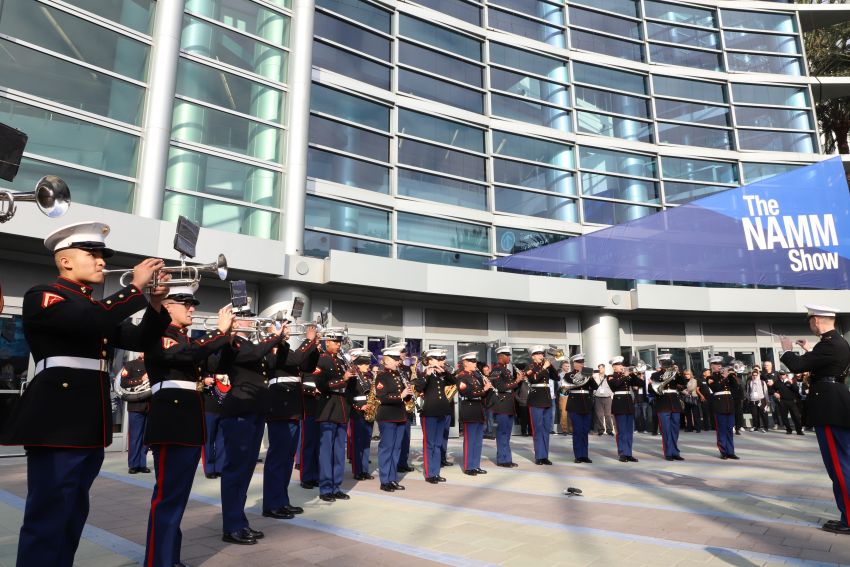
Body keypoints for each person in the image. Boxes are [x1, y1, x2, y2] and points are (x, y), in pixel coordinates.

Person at [2, 222, 170, 567]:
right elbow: (89, 320)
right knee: (48, 519)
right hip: (57, 425)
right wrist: (135, 289)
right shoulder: (44, 295)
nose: (101, 263)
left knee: (72, 516)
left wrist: (154, 304)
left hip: (86, 426)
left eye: (102, 256)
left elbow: (139, 341)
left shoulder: (93, 307)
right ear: (65, 262)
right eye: (92, 254)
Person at [142, 284, 235, 563]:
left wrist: (227, 336)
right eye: (185, 303)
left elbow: (217, 365)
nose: (192, 308)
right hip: (172, 423)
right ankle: (159, 560)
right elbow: (187, 354)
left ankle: (169, 557)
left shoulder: (184, 338)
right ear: (167, 306)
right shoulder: (160, 333)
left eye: (192, 303)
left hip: (187, 424)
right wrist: (218, 333)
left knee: (177, 498)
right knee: (168, 498)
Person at [780, 305, 850, 535]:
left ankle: (849, 519)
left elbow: (798, 365)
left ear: (817, 320)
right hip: (833, 403)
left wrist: (787, 350)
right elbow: (821, 364)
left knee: (840, 467)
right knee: (841, 465)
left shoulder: (831, 344)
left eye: (810, 320)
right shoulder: (834, 342)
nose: (810, 325)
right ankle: (845, 515)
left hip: (830, 407)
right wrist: (808, 349)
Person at [219, 315, 289, 543]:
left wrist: (283, 342)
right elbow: (255, 355)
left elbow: (275, 364)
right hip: (240, 408)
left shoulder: (251, 344)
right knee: (235, 470)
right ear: (235, 322)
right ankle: (231, 526)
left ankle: (239, 521)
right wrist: (273, 337)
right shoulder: (234, 343)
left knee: (246, 470)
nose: (252, 321)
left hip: (255, 409)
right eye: (246, 318)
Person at [263, 324, 319, 519]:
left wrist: (314, 347)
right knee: (278, 458)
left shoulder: (285, 347)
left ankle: (281, 500)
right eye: (281, 328)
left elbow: (306, 366)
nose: (286, 330)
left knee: (287, 459)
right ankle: (271, 504)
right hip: (280, 407)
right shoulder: (271, 347)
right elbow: (295, 359)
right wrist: (309, 341)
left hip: (292, 408)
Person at [313, 329, 353, 502]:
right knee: (326, 452)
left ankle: (336, 486)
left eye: (339, 342)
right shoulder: (321, 360)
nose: (338, 345)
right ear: (326, 342)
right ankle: (325, 488)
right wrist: (343, 379)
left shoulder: (341, 361)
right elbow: (321, 384)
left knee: (338, 452)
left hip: (342, 409)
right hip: (328, 410)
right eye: (335, 342)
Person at [412, 348, 455, 483]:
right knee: (430, 444)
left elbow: (454, 381)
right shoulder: (424, 374)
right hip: (429, 413)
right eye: (439, 359)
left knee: (437, 444)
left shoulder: (441, 374)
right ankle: (430, 474)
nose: (442, 361)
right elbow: (418, 388)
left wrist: (445, 372)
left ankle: (435, 472)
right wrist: (426, 374)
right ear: (430, 361)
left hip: (441, 412)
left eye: (442, 359)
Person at [375, 345, 409, 492]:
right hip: (388, 416)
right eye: (394, 360)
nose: (397, 362)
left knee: (396, 449)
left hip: (400, 416)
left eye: (397, 359)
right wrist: (401, 396)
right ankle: (384, 481)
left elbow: (403, 396)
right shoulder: (382, 376)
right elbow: (382, 397)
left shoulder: (399, 376)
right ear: (386, 360)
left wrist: (408, 396)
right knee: (387, 448)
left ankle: (392, 478)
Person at [457, 352, 492, 475]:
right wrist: (484, 389)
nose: (475, 363)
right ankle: (468, 466)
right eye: (472, 361)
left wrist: (487, 387)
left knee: (478, 441)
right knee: (470, 440)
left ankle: (476, 465)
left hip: (478, 408)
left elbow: (482, 393)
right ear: (465, 363)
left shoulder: (476, 376)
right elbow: (467, 393)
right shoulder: (461, 376)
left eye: (475, 361)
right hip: (469, 408)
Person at [490, 346, 522, 467]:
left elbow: (511, 386)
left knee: (507, 434)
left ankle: (507, 458)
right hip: (501, 404)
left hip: (508, 404)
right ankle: (502, 460)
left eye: (509, 355)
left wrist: (519, 380)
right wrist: (516, 381)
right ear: (500, 356)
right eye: (507, 355)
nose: (509, 357)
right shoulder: (497, 370)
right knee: (502, 433)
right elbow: (500, 387)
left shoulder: (506, 370)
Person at [119, 354, 151, 474]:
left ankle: (142, 464)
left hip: (150, 405)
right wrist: (141, 380)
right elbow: (124, 383)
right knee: (135, 437)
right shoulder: (131, 364)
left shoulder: (153, 364)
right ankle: (133, 464)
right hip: (136, 406)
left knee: (146, 438)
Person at [347, 347, 375, 481]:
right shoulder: (353, 377)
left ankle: (364, 470)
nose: (368, 366)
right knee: (357, 444)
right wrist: (359, 406)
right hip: (357, 413)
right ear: (358, 365)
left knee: (366, 443)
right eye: (366, 364)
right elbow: (349, 395)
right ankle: (357, 471)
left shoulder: (368, 377)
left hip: (368, 411)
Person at [652, 354, 687, 461]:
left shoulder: (675, 373)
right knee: (666, 430)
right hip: (663, 403)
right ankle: (668, 453)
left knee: (675, 429)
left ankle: (675, 452)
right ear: (660, 363)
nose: (666, 364)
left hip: (674, 403)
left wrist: (678, 372)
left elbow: (683, 383)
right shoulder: (656, 374)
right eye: (664, 362)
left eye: (667, 362)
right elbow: (653, 388)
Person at [608, 357, 642, 462]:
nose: (622, 366)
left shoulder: (627, 376)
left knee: (629, 431)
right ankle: (622, 453)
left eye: (622, 364)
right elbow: (616, 385)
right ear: (614, 366)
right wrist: (625, 376)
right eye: (619, 365)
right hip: (619, 404)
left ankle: (629, 453)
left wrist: (632, 374)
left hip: (628, 404)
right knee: (622, 431)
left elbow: (639, 383)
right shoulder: (610, 376)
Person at [564, 353, 596, 463]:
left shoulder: (587, 374)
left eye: (583, 362)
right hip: (575, 404)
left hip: (586, 404)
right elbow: (565, 388)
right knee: (577, 431)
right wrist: (581, 377)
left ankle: (585, 455)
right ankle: (578, 455)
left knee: (584, 431)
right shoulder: (569, 375)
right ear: (574, 364)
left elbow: (595, 387)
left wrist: (590, 377)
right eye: (579, 362)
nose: (582, 364)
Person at [525, 345, 554, 465]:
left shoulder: (546, 366)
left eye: (542, 354)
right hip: (536, 400)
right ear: (533, 356)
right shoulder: (530, 367)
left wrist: (550, 366)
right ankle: (539, 456)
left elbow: (556, 377)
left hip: (547, 399)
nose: (541, 356)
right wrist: (544, 367)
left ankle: (545, 456)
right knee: (537, 429)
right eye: (538, 354)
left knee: (546, 429)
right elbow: (534, 379)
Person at [707, 356, 739, 460]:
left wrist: (732, 375)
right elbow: (716, 388)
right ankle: (723, 451)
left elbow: (735, 386)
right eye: (716, 364)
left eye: (720, 363)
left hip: (729, 405)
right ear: (712, 366)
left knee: (730, 429)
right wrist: (724, 377)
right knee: (721, 430)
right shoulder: (710, 378)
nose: (719, 365)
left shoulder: (727, 376)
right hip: (719, 406)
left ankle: (731, 452)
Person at [392, 342, 416, 474]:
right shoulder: (392, 369)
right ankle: (395, 463)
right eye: (402, 353)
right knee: (396, 440)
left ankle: (403, 462)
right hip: (396, 406)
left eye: (404, 353)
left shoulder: (406, 369)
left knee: (406, 438)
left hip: (406, 407)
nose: (404, 355)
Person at [201, 373, 228, 479]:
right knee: (208, 440)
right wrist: (204, 382)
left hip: (224, 407)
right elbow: (195, 386)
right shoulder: (203, 365)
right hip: (208, 407)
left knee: (222, 439)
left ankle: (220, 467)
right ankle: (209, 468)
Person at [771, 370, 804, 435]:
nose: (781, 376)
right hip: (782, 401)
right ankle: (788, 430)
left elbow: (796, 390)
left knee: (796, 416)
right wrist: (774, 393)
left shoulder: (791, 381)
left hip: (792, 401)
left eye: (783, 374)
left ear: (786, 375)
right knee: (784, 416)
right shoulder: (777, 382)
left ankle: (799, 430)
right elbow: (771, 389)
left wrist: (791, 384)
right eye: (780, 374)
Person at [593, 363, 614, 436]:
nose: (600, 369)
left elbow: (612, 386)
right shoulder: (595, 377)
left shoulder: (608, 377)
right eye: (599, 368)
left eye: (601, 368)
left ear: (604, 368)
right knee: (599, 415)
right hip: (598, 397)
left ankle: (609, 430)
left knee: (608, 414)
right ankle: (601, 430)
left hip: (607, 397)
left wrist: (610, 394)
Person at [762, 361, 783, 430]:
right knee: (774, 410)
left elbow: (781, 381)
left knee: (782, 409)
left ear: (771, 366)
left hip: (778, 394)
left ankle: (784, 423)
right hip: (769, 394)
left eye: (767, 365)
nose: (765, 366)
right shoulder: (763, 374)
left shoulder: (776, 373)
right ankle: (776, 423)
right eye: (765, 365)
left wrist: (773, 382)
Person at [747, 368, 769, 432]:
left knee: (763, 414)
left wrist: (767, 401)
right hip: (753, 401)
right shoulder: (749, 382)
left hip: (761, 400)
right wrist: (749, 398)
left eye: (756, 375)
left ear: (758, 375)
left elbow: (765, 392)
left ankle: (765, 427)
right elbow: (748, 391)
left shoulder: (762, 382)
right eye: (753, 375)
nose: (754, 376)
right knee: (754, 415)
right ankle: (755, 426)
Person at [557, 361, 572, 435]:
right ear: (562, 366)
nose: (567, 367)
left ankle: (571, 429)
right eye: (566, 366)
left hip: (572, 395)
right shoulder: (560, 375)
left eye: (568, 366)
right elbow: (559, 385)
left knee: (572, 412)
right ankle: (565, 430)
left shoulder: (572, 375)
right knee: (564, 412)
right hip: (564, 394)